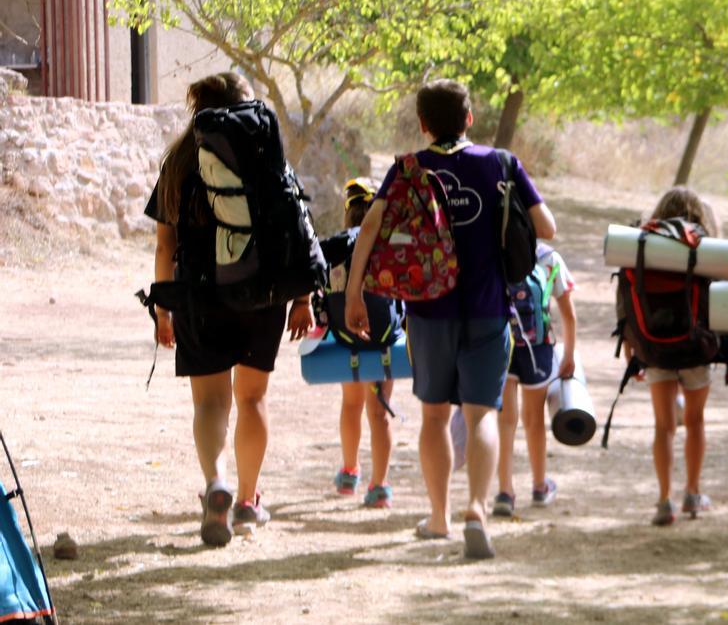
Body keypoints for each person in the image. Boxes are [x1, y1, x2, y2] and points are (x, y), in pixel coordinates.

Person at [343, 79, 555, 560]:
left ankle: (438, 517)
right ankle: (477, 508)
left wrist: (354, 293)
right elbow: (547, 228)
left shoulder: (408, 168)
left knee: (435, 415)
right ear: (470, 118)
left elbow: (370, 227)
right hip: (488, 309)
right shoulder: (501, 164)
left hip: (427, 311)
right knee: (481, 412)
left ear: (423, 124)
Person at [145, 72, 313, 547]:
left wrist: (163, 308)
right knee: (252, 400)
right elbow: (297, 225)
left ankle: (214, 483)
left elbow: (164, 245)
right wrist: (302, 298)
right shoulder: (266, 152)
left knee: (210, 402)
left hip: (200, 295)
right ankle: (246, 501)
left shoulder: (179, 162)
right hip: (264, 292)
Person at [627, 186, 720, 527]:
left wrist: (632, 349)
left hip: (655, 347)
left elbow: (627, 296)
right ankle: (692, 493)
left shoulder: (645, 245)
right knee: (694, 421)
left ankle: (665, 500)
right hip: (695, 346)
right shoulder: (702, 245)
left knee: (663, 426)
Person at [321, 179, 400, 508]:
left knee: (351, 404)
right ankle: (379, 486)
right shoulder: (390, 244)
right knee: (379, 413)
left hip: (346, 337)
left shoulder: (335, 244)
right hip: (383, 341)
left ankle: (350, 471)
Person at [494, 242, 577, 517]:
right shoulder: (549, 257)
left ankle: (505, 492)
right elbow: (568, 313)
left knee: (506, 420)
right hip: (538, 348)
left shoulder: (494, 250)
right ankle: (540, 486)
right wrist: (569, 354)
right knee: (534, 420)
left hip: (502, 346)